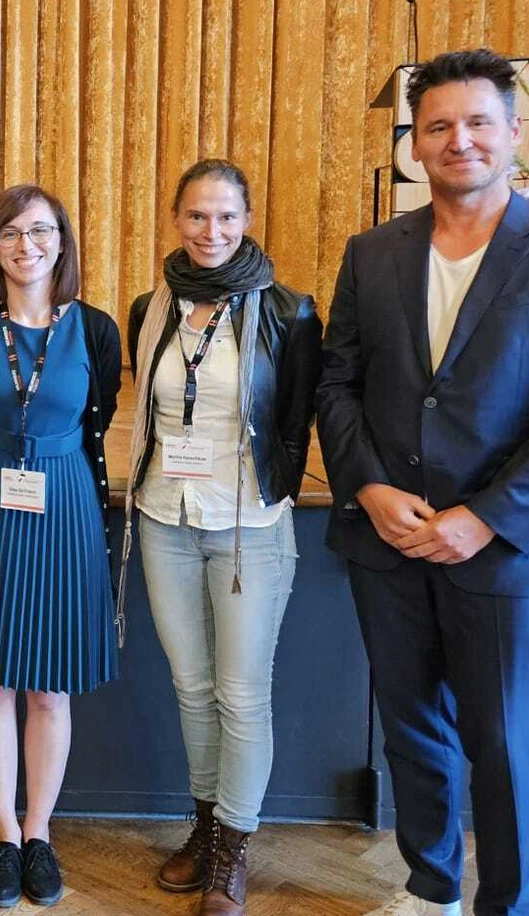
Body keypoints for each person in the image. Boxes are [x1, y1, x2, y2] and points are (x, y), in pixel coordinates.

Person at [317, 48, 529, 916]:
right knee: (410, 728)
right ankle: (431, 885)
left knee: (503, 744)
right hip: (387, 537)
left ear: (513, 133)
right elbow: (335, 383)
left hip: (498, 548)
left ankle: (506, 901)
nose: (457, 141)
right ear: (413, 145)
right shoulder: (371, 252)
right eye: (436, 125)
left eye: (477, 122)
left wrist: (483, 516)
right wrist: (365, 487)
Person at [120, 158, 323, 916]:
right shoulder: (150, 307)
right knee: (191, 688)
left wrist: (259, 489)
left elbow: (296, 420)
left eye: (226, 217)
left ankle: (233, 847)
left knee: (241, 695)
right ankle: (203, 828)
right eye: (197, 216)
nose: (211, 232)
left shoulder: (287, 310)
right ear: (176, 219)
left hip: (248, 530)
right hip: (164, 519)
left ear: (246, 222)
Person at [0, 184, 122, 909]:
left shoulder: (97, 330)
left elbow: (95, 415)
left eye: (40, 231)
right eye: (9, 233)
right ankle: (4, 835)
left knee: (48, 686)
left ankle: (40, 833)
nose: (26, 245)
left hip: (64, 502)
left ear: (62, 243)